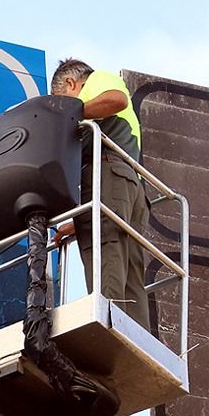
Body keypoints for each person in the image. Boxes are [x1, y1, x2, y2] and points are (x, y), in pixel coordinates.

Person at [50, 59, 152, 329]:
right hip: (128, 186)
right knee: (129, 268)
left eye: (62, 99)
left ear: (71, 83)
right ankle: (134, 335)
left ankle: (107, 326)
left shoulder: (96, 81)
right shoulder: (112, 125)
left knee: (105, 247)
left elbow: (116, 99)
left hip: (108, 173)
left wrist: (69, 113)